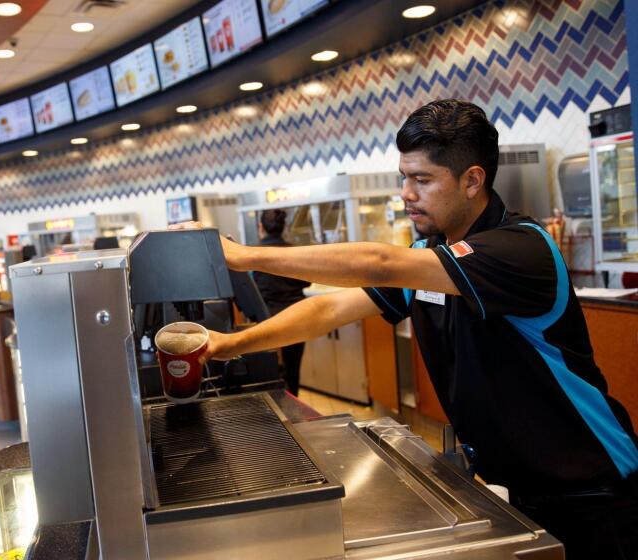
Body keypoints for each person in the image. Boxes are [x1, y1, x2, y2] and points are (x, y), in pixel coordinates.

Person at [176, 99, 638, 559]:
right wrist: (229, 344)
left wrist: (242, 255)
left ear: (472, 180)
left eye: (422, 179)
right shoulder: (430, 253)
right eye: (404, 177)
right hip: (518, 486)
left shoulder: (521, 249)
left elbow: (379, 262)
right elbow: (329, 309)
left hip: (594, 489)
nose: (406, 193)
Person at [251, 209, 309, 395]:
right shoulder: (295, 251)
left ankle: (277, 412)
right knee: (293, 369)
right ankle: (295, 405)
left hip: (268, 318)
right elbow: (306, 280)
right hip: (297, 315)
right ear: (284, 227)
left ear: (261, 227)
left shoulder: (254, 254)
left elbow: (252, 287)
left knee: (270, 372)